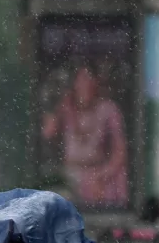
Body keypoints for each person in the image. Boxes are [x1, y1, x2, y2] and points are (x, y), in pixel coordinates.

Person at [41, 65, 129, 206]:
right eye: (80, 80)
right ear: (73, 84)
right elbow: (47, 133)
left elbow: (120, 152)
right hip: (68, 177)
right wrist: (54, 102)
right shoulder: (65, 106)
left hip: (98, 176)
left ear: (96, 82)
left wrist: (101, 175)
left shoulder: (108, 109)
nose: (84, 85)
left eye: (88, 79)